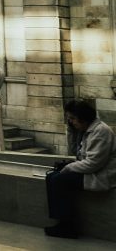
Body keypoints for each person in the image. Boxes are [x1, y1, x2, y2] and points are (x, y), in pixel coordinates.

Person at [43, 98, 116, 239]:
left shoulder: (101, 131)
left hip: (101, 175)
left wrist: (69, 168)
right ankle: (61, 221)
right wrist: (71, 132)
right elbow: (73, 152)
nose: (71, 121)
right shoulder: (85, 129)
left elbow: (93, 164)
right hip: (92, 170)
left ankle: (68, 226)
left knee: (60, 180)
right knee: (52, 175)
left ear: (83, 118)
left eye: (72, 118)